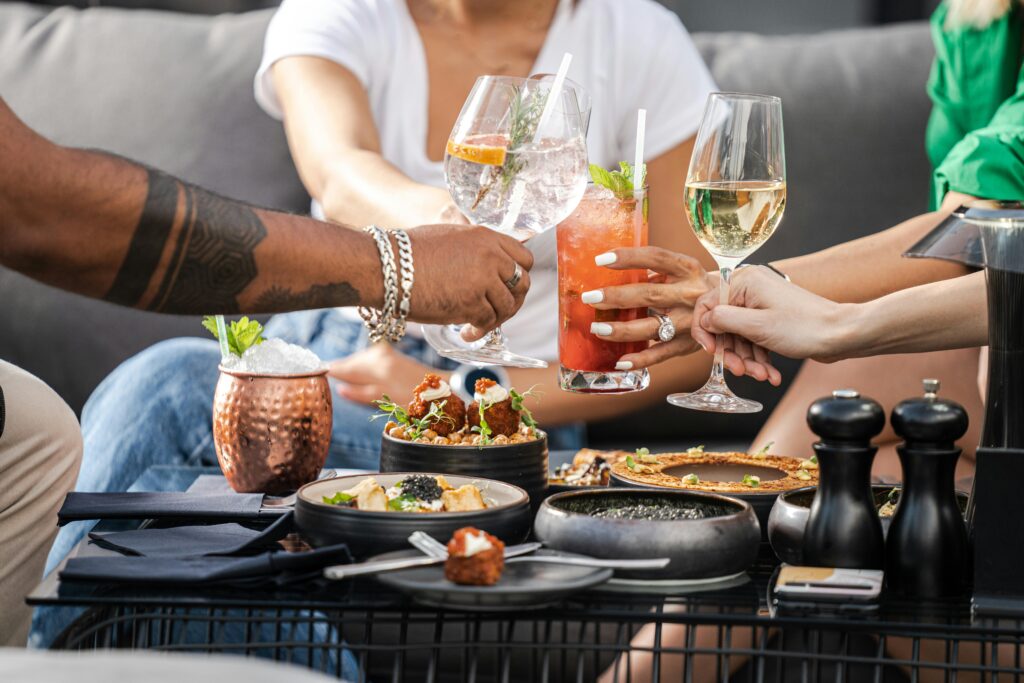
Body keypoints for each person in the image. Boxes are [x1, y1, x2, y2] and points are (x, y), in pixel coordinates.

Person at [0, 94, 532, 647]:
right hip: (325, 348)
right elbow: (337, 170)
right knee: (162, 419)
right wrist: (409, 259)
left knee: (156, 399)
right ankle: (48, 655)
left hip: (480, 394)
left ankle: (42, 653)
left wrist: (463, 391)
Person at [589, 0, 1024, 484]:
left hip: (1001, 339)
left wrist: (784, 303)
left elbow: (982, 231)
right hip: (987, 324)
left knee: (828, 407)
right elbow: (971, 230)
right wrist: (745, 293)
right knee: (851, 475)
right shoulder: (975, 20)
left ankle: (727, 512)